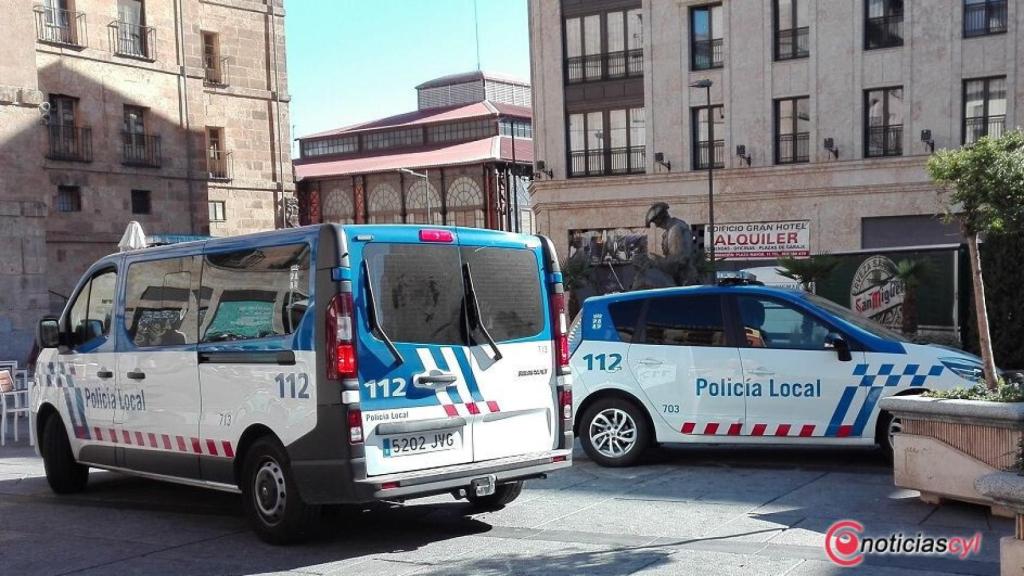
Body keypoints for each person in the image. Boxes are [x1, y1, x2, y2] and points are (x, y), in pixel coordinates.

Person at [645, 203, 700, 286]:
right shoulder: (672, 228)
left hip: (683, 280)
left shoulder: (674, 229)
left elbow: (678, 260)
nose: (656, 225)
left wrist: (655, 261)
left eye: (655, 221)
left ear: (660, 218)